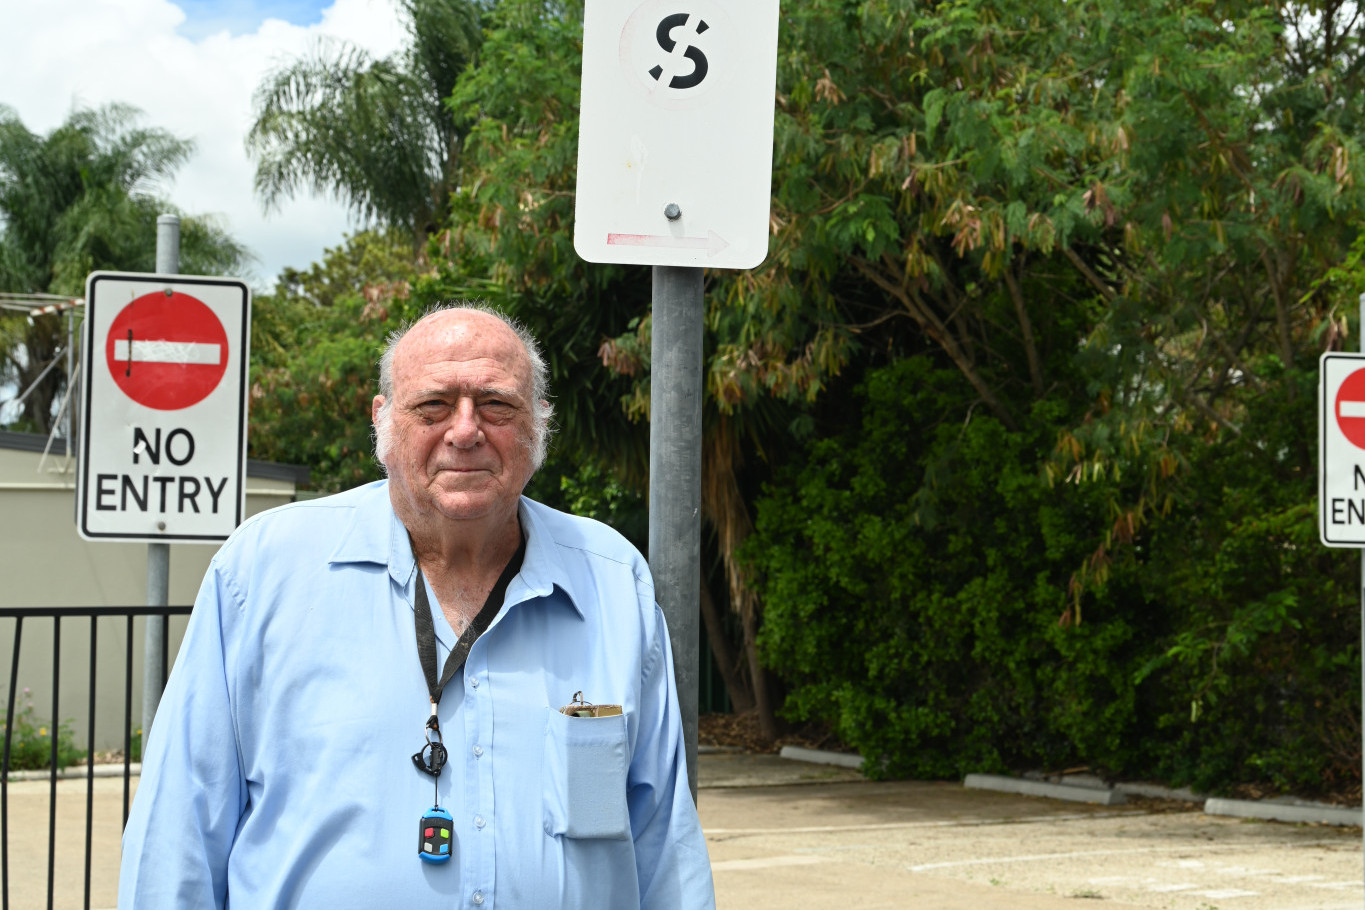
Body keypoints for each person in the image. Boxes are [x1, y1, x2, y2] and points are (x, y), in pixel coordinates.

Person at [119, 304, 716, 909]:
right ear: (383, 421)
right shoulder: (264, 572)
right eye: (433, 406)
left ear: (538, 422)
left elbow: (663, 843)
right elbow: (178, 835)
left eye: (497, 405)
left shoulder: (611, 581)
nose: (465, 430)